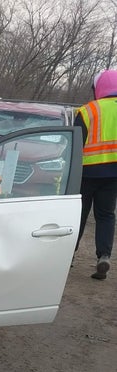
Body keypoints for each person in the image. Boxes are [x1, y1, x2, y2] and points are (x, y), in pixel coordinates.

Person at [75, 69, 117, 280]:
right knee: (106, 215)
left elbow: (75, 145)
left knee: (79, 215)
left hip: (86, 173)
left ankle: (69, 256)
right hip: (113, 175)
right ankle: (104, 256)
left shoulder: (87, 111)